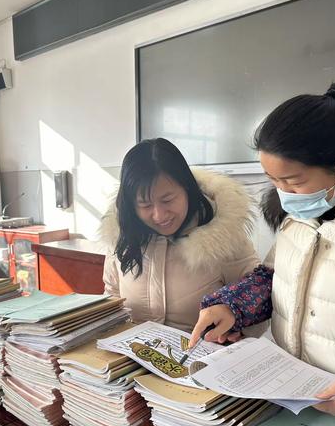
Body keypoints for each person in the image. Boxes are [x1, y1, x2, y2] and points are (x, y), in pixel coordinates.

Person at [190, 81, 335, 421]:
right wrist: (233, 307)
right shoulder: (294, 219)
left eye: (294, 183)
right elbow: (274, 277)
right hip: (296, 396)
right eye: (273, 181)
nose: (284, 193)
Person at [101, 138, 261, 334]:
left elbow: (258, 304)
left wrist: (235, 324)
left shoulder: (224, 237)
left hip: (203, 358)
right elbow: (111, 300)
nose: (159, 215)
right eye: (145, 205)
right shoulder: (122, 237)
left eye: (167, 200)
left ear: (187, 189)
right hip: (131, 359)